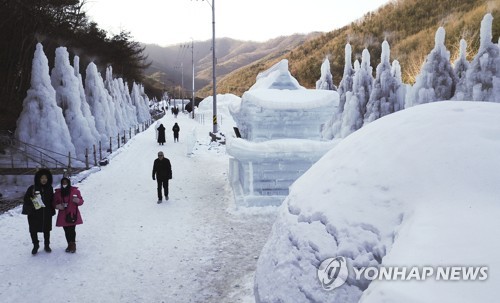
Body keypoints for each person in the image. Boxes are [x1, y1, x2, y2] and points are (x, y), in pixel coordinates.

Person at [21, 168, 55, 255]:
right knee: (33, 230)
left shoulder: (50, 188)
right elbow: (26, 199)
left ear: (48, 179)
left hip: (46, 213)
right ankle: (35, 245)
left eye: (45, 178)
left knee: (46, 230)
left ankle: (47, 245)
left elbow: (52, 200)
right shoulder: (32, 188)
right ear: (38, 179)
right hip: (34, 213)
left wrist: (53, 208)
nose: (44, 180)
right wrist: (33, 202)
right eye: (42, 178)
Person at [53, 177, 84, 253]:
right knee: (66, 230)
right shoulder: (58, 193)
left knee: (72, 229)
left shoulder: (75, 191)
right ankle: (69, 244)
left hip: (73, 213)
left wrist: (78, 201)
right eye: (63, 182)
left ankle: (73, 245)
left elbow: (81, 201)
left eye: (66, 182)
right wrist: (58, 206)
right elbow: (53, 203)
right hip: (63, 214)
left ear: (69, 183)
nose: (64, 184)